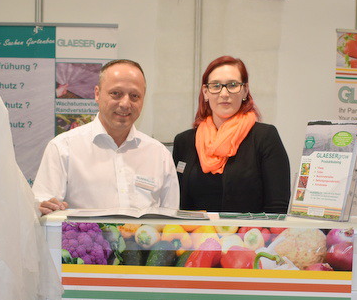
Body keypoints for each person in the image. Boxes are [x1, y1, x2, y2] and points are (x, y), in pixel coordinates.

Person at [33, 59, 179, 215]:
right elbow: (43, 209)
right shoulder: (63, 148)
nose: (125, 104)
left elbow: (170, 221)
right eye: (116, 93)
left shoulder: (159, 155)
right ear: (97, 94)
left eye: (134, 96)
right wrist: (43, 208)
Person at [172, 56, 290, 214]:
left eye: (233, 85)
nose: (224, 93)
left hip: (249, 230)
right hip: (196, 230)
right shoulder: (184, 142)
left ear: (245, 91)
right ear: (205, 92)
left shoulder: (265, 137)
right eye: (216, 86)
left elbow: (277, 207)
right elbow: (177, 202)